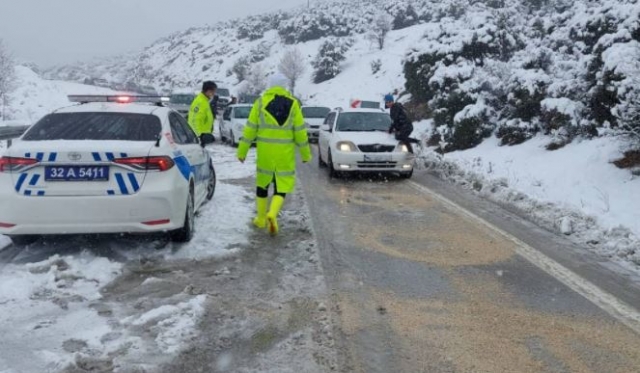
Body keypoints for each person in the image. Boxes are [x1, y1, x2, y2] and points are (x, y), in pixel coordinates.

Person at [237, 74, 312, 236]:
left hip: (265, 153)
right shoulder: (293, 105)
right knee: (281, 186)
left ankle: (261, 218)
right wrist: (306, 154)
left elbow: (250, 129)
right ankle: (273, 212)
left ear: (270, 85)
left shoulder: (260, 103)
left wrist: (242, 151)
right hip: (284, 154)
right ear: (284, 86)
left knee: (262, 185)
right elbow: (300, 132)